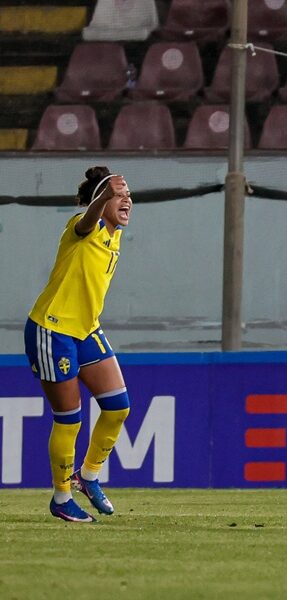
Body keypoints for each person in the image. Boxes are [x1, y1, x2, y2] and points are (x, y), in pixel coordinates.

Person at [24, 166, 133, 523]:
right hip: (52, 329)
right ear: (100, 201)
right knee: (69, 420)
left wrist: (109, 196)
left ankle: (87, 476)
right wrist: (102, 197)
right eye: (120, 194)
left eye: (129, 195)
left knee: (118, 407)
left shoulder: (114, 234)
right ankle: (61, 497)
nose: (127, 200)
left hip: (85, 330)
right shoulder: (83, 226)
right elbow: (88, 220)